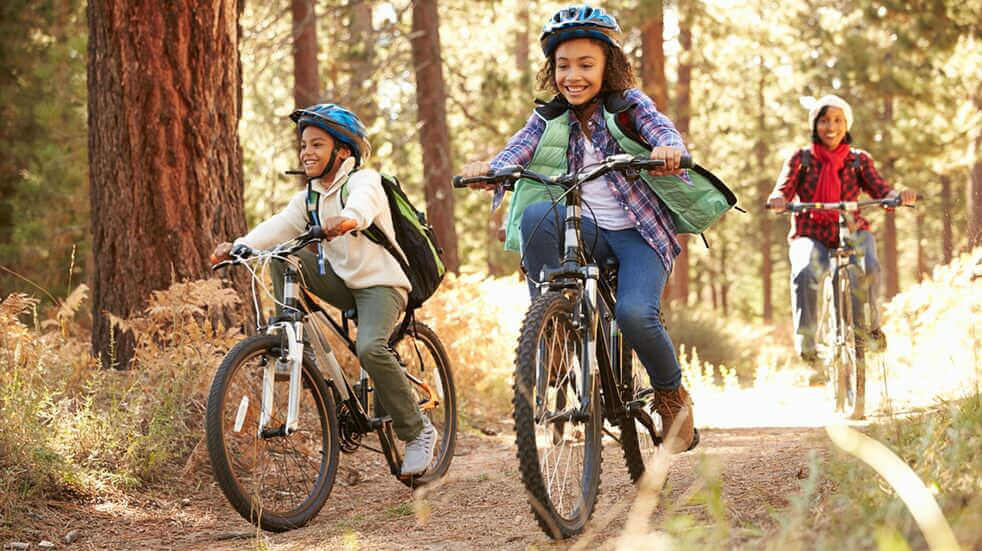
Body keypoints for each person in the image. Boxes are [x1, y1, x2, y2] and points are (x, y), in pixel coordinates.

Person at [460, 4, 697, 453]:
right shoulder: (549, 117)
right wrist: (492, 170)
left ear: (609, 66)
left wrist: (667, 148)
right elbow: (517, 151)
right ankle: (554, 327)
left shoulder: (629, 105)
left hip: (637, 234)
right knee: (534, 216)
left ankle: (671, 397)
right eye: (563, 65)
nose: (573, 75)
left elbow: (662, 130)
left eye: (586, 65)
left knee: (634, 315)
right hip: (582, 229)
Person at [211, 103, 436, 476]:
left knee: (369, 347)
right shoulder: (309, 198)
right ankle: (291, 336)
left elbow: (363, 207)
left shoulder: (365, 181)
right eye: (303, 145)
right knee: (285, 254)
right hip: (344, 283)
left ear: (343, 151)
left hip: (382, 284)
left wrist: (346, 220)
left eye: (317, 144)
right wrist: (238, 246)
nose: (306, 152)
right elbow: (279, 226)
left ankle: (417, 432)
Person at [766, 94, 916, 373]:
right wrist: (778, 199)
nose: (831, 126)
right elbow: (783, 189)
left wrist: (896, 196)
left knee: (869, 265)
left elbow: (880, 189)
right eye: (824, 120)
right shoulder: (801, 158)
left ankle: (870, 329)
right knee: (806, 274)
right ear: (815, 125)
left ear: (846, 125)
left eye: (837, 120)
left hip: (851, 229)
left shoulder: (859, 160)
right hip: (809, 231)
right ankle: (809, 346)